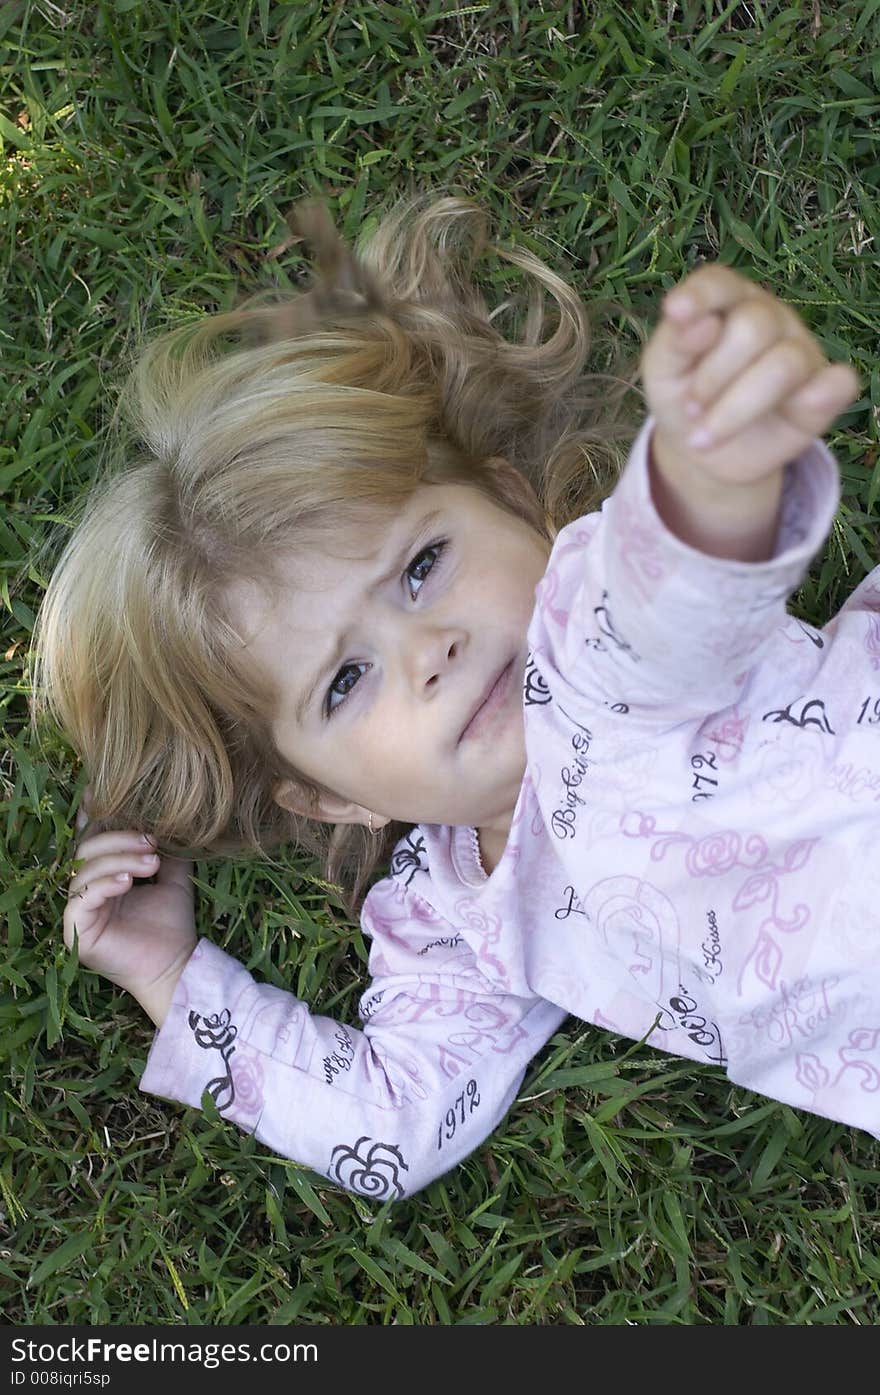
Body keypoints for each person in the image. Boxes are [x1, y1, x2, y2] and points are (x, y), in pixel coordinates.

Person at [32, 192, 870, 1204]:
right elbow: (392, 1120)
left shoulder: (589, 643)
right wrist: (165, 975)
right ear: (332, 797)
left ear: (517, 507)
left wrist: (708, 471)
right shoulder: (453, 923)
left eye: (423, 566)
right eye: (346, 680)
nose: (427, 650)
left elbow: (678, 591)